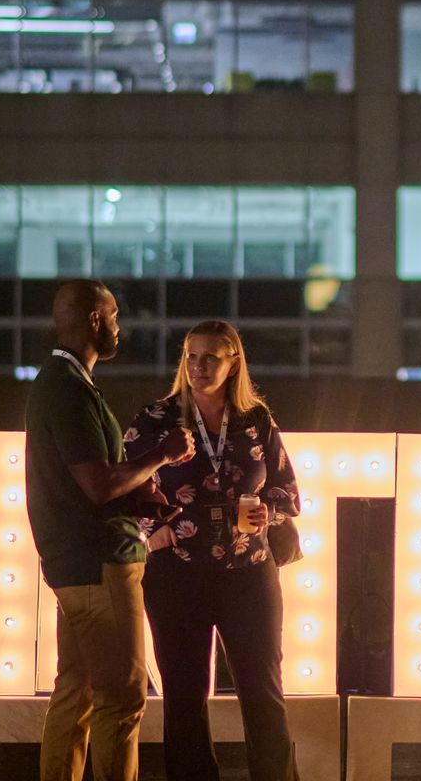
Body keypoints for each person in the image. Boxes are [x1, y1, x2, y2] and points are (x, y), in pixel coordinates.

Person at [25, 279, 196, 781]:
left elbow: (85, 480)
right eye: (115, 315)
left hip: (72, 564)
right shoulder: (70, 388)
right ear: (95, 320)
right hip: (102, 562)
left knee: (74, 693)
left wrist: (140, 493)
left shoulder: (56, 382)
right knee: (122, 698)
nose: (120, 325)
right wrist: (161, 455)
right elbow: (97, 485)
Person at [125, 320, 301, 781]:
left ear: (233, 362)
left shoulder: (255, 420)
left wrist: (269, 510)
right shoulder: (156, 419)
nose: (200, 366)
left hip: (249, 571)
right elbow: (122, 488)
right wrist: (152, 530)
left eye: (211, 357)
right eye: (192, 356)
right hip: (178, 575)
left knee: (264, 693)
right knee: (184, 697)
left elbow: (287, 490)